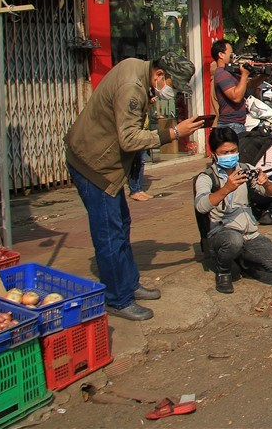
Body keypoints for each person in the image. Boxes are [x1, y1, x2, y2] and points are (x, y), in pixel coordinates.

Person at [65, 52, 203, 321]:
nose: (170, 92)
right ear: (159, 75)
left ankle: (128, 284)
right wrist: (174, 133)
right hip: (93, 165)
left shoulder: (137, 70)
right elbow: (128, 140)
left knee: (121, 225)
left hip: (106, 164)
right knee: (109, 233)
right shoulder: (133, 88)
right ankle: (117, 299)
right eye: (172, 86)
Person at [195, 128, 272, 294]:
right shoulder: (206, 177)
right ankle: (223, 271)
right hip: (222, 233)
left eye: (233, 151)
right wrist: (226, 188)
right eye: (224, 152)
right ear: (214, 154)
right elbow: (201, 205)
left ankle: (244, 262)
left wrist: (266, 183)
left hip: (250, 234)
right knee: (233, 240)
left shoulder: (246, 169)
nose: (230, 155)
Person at [212, 39, 263, 134]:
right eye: (231, 53)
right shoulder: (221, 73)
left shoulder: (230, 72)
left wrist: (263, 75)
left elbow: (250, 85)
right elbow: (236, 97)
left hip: (237, 124)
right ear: (221, 55)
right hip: (230, 125)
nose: (233, 56)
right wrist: (244, 74)